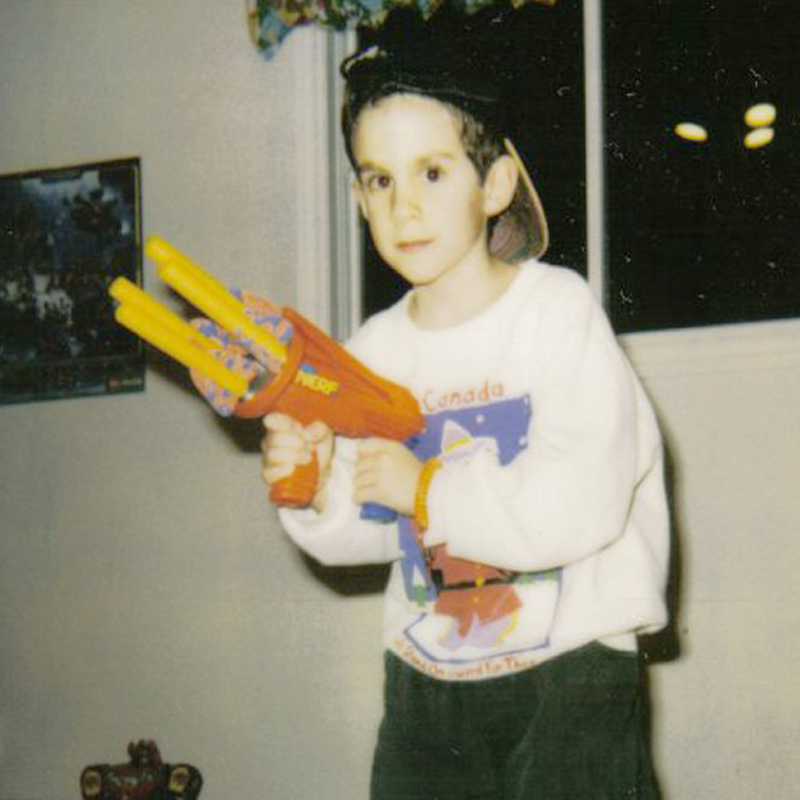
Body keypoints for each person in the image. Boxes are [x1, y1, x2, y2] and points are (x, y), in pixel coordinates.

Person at [262, 12, 669, 799]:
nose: (403, 207)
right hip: (428, 669)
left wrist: (424, 489)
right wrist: (314, 490)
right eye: (380, 180)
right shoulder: (373, 350)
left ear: (496, 184)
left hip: (572, 666)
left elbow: (584, 498)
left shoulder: (555, 312)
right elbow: (366, 528)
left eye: (432, 173)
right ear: (358, 197)